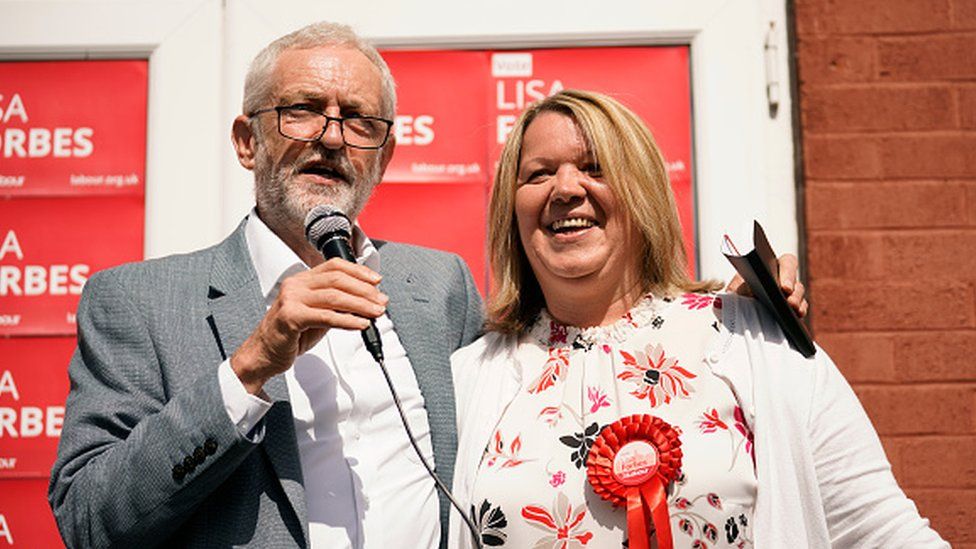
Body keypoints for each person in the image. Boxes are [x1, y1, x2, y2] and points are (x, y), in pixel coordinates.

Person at [48, 22, 805, 549]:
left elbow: (574, 353)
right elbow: (88, 520)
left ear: (385, 152)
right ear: (248, 140)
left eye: (359, 120)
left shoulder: (435, 285)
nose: (332, 136)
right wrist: (249, 366)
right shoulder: (137, 303)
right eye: (304, 110)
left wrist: (726, 314)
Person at [449, 89, 947, 548]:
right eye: (537, 174)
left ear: (641, 191)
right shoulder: (473, 379)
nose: (565, 189)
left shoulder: (752, 340)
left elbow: (879, 530)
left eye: (594, 167)